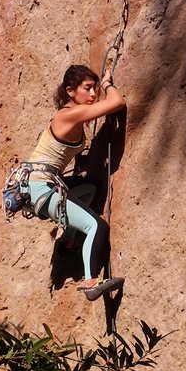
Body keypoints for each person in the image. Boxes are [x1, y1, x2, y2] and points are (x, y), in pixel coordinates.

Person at [26, 64, 125, 301]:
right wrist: (107, 84)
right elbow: (116, 102)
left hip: (41, 186)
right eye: (87, 89)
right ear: (71, 91)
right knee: (96, 226)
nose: (93, 95)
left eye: (94, 89)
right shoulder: (69, 114)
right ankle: (92, 282)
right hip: (42, 188)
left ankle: (69, 241)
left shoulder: (70, 114)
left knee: (90, 189)